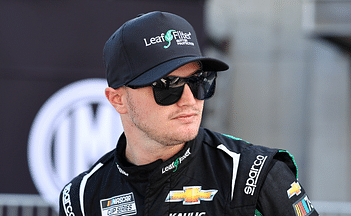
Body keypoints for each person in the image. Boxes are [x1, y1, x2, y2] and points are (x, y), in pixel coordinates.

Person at [59, 11, 319, 216]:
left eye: (199, 81)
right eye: (168, 86)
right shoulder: (81, 197)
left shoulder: (254, 173)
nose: (189, 100)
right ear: (118, 100)